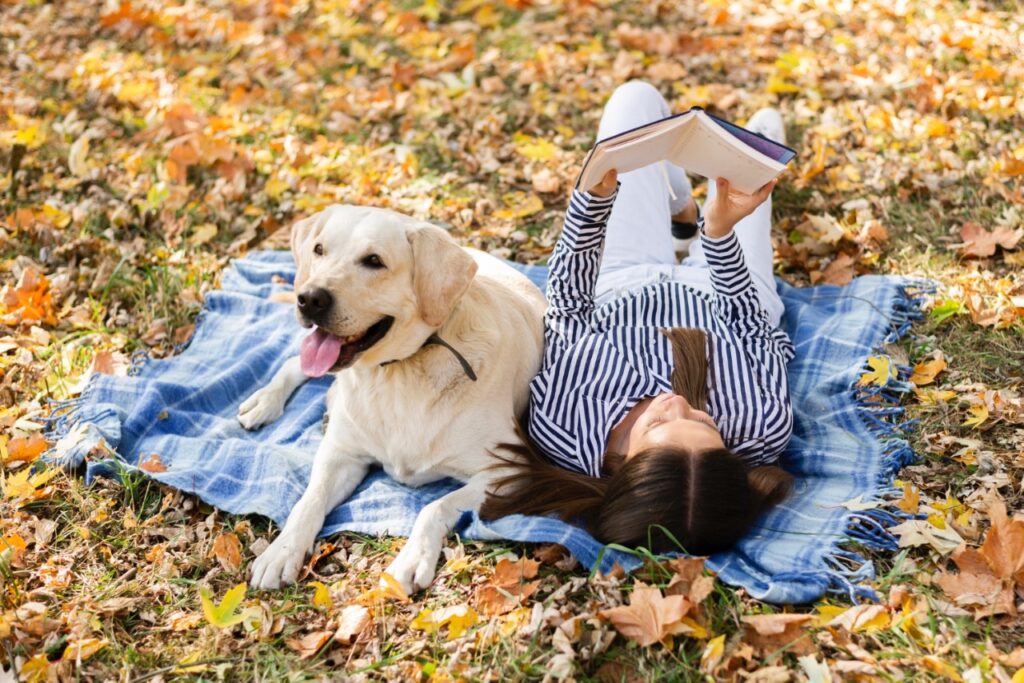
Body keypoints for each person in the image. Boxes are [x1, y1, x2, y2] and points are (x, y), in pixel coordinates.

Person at [481, 81, 795, 555]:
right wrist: (718, 233)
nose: (675, 402)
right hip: (725, 291)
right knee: (750, 173)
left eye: (658, 425)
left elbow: (568, 306)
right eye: (704, 423)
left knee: (634, 99)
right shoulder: (759, 426)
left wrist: (590, 205)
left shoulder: (567, 428)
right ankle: (696, 207)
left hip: (623, 280)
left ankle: (679, 200)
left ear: (622, 465)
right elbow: (752, 327)